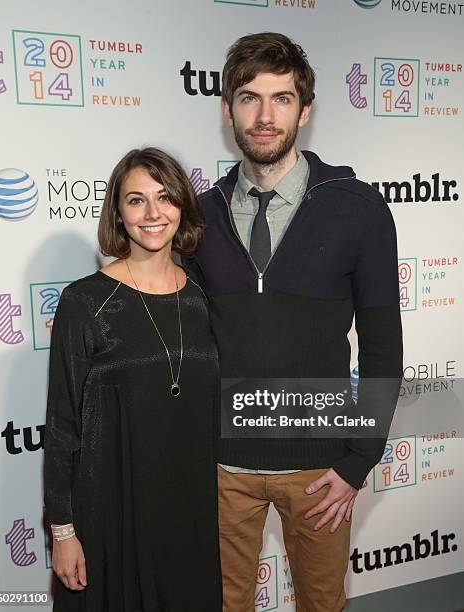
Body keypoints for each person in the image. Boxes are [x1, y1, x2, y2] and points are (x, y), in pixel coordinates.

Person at [185, 33, 403, 612]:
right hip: (223, 468)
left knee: (321, 605)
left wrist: (358, 461)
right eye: (249, 97)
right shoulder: (198, 217)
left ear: (305, 112)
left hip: (319, 467)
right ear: (226, 108)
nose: (263, 116)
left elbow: (383, 347)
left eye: (281, 99)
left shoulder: (358, 208)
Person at [43, 147, 222, 611]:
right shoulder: (86, 302)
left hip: (189, 515)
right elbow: (63, 425)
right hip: (112, 514)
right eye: (136, 200)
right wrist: (63, 531)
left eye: (164, 197)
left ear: (181, 205)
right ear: (118, 214)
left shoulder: (201, 298)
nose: (153, 213)